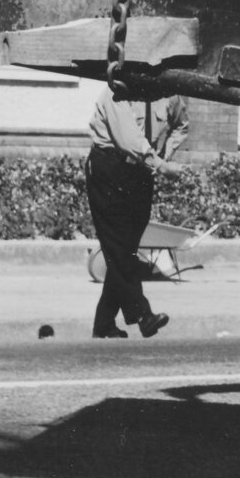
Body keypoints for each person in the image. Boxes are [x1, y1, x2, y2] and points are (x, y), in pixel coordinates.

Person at [86, 79, 188, 339]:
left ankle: (104, 325)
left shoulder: (167, 93)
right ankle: (142, 315)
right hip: (110, 169)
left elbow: (181, 124)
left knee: (125, 249)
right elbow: (128, 139)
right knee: (119, 248)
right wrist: (161, 166)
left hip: (142, 173)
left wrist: (161, 156)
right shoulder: (116, 92)